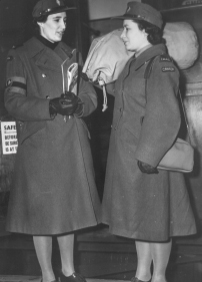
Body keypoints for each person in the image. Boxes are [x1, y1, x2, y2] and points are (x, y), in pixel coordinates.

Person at [4, 1, 101, 282]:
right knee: (42, 214)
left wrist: (78, 104)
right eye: (57, 20)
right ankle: (48, 275)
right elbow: (13, 102)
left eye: (65, 21)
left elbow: (91, 95)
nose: (63, 26)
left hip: (71, 143)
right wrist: (51, 105)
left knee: (67, 208)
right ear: (40, 21)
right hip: (40, 146)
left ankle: (68, 271)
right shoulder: (20, 56)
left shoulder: (72, 54)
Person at [101, 2, 196, 282]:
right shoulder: (134, 62)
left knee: (158, 220)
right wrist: (104, 84)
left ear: (146, 31)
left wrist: (149, 156)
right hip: (131, 157)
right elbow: (129, 94)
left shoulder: (160, 63)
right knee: (139, 219)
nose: (122, 35)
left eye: (127, 29)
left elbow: (165, 115)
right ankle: (142, 275)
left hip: (150, 159)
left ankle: (159, 277)